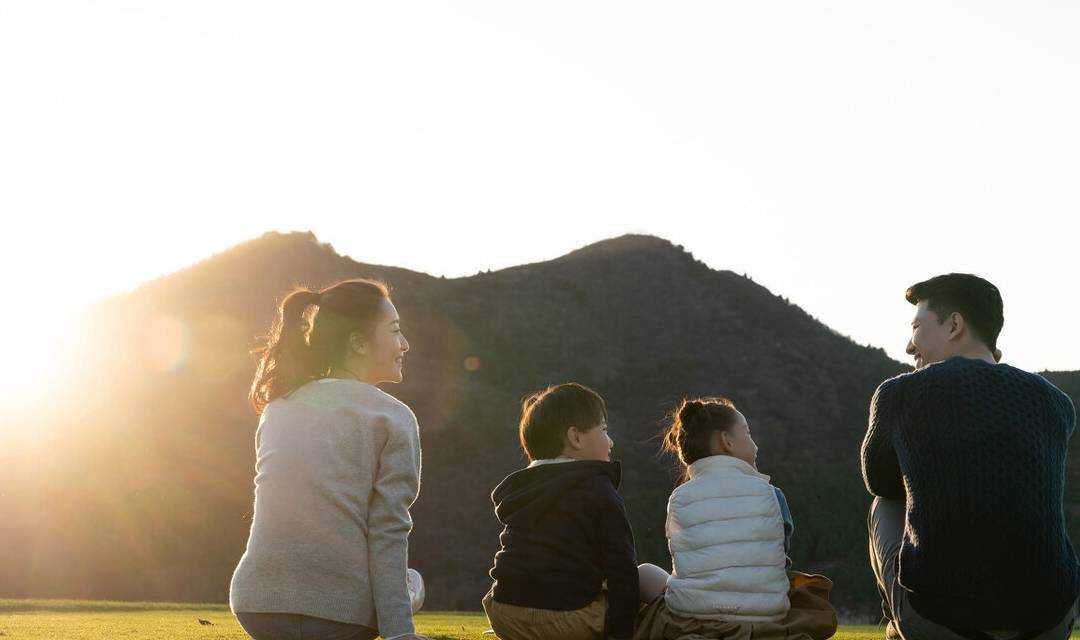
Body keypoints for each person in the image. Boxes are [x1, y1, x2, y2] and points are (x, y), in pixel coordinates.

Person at [862, 273, 1080, 639]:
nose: (909, 346)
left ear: (954, 325)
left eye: (916, 327)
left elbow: (879, 479)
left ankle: (898, 629)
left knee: (884, 503)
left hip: (939, 621)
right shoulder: (1054, 402)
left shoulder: (899, 393)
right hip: (1049, 621)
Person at [230, 279, 430, 640]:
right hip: (341, 617)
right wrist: (400, 634)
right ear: (357, 342)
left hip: (256, 605)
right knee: (410, 582)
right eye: (396, 331)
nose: (405, 344)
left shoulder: (278, 407)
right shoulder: (393, 417)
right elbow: (388, 531)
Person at [629, 397, 835, 640]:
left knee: (644, 573)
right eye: (747, 433)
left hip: (693, 618)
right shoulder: (771, 495)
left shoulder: (679, 498)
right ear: (726, 441)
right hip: (764, 616)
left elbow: (686, 562)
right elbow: (780, 558)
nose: (755, 446)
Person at [482, 382, 663, 640]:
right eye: (604, 429)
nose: (610, 441)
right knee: (646, 576)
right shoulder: (597, 488)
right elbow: (621, 570)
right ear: (576, 438)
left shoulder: (522, 490)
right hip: (566, 622)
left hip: (505, 614)